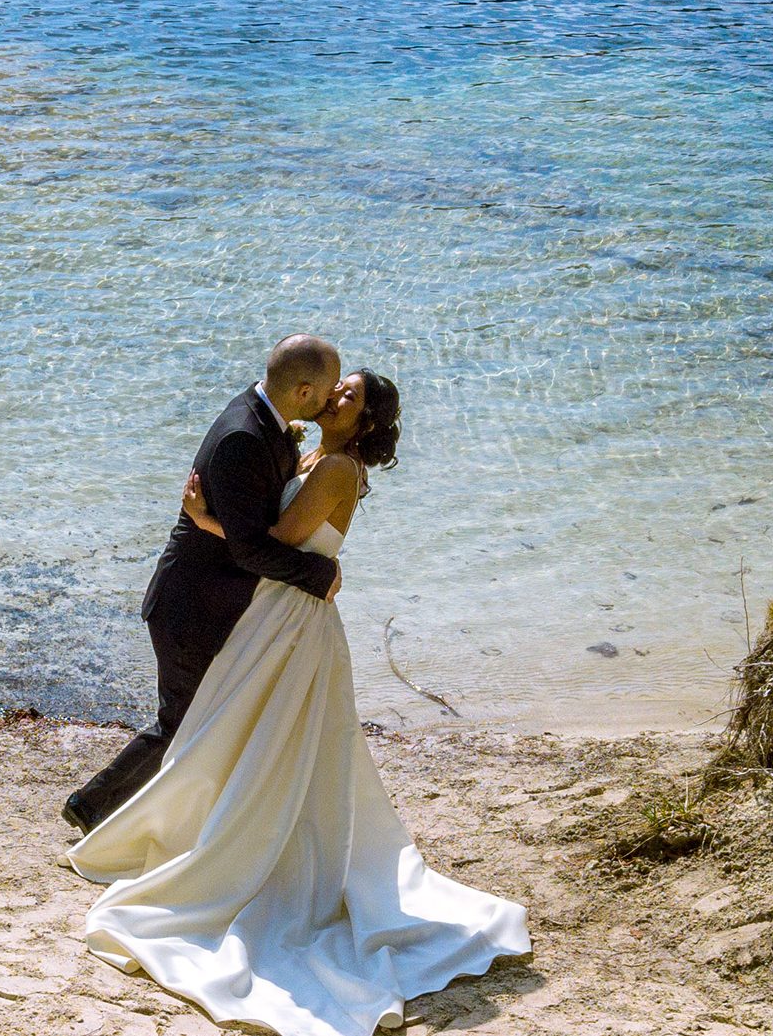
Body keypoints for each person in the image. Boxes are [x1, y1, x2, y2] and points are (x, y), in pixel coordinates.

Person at [63, 369, 532, 1036]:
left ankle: (262, 857)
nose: (334, 395)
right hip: (276, 613)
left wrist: (203, 519)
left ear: (364, 420)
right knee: (241, 734)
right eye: (336, 385)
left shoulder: (337, 467)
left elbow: (277, 542)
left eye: (350, 395)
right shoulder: (308, 453)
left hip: (294, 622)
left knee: (269, 744)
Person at [62, 334, 344, 834]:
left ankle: (174, 819)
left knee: (197, 721)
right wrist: (321, 575)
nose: (331, 399)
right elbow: (249, 548)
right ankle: (91, 805)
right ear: (303, 392)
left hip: (210, 602)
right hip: (190, 605)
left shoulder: (269, 424)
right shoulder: (244, 437)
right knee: (183, 724)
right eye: (326, 391)